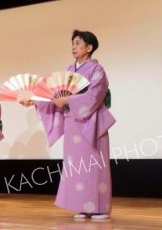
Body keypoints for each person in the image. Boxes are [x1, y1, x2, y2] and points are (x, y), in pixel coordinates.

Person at [21, 30, 115, 220]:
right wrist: (36, 101)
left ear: (89, 48)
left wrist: (69, 100)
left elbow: (95, 94)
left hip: (92, 122)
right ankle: (82, 206)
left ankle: (100, 208)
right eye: (72, 43)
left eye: (78, 43)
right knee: (76, 166)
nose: (74, 46)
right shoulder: (69, 71)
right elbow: (55, 96)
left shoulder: (97, 70)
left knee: (93, 164)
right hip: (73, 123)